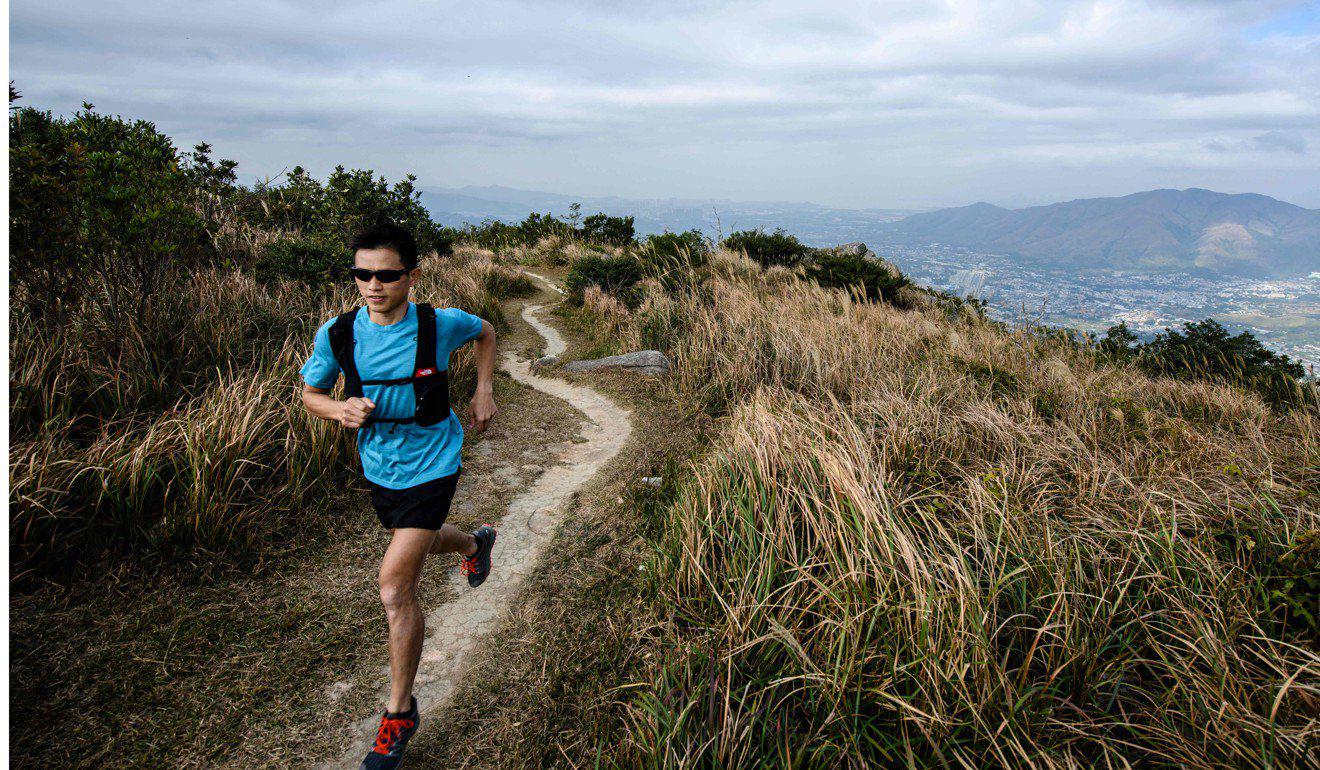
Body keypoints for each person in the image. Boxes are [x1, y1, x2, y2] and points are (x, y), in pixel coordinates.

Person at [299, 222, 498, 770]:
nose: (373, 285)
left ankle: (399, 713)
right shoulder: (338, 334)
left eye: (387, 275)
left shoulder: (439, 324)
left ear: (411, 276)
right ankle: (474, 544)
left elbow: (486, 333)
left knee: (394, 586)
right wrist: (339, 409)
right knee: (418, 540)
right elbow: (311, 394)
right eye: (362, 274)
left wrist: (483, 388)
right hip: (380, 464)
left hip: (435, 459)